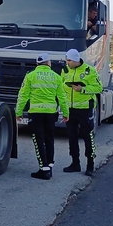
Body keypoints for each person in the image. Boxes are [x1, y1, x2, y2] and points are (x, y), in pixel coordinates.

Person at [15, 53, 69, 180]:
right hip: (51, 113)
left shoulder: (30, 76)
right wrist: (66, 113)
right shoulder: (56, 77)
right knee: (49, 138)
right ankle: (49, 165)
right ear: (49, 63)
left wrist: (18, 112)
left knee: (38, 140)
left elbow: (23, 96)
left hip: (36, 113)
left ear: (37, 64)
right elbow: (62, 97)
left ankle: (43, 169)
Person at [61, 48, 102, 176]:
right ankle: (75, 164)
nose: (67, 63)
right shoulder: (65, 70)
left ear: (75, 60)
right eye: (66, 60)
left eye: (69, 60)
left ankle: (90, 165)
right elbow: (61, 87)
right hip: (70, 110)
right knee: (72, 138)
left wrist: (82, 89)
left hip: (85, 110)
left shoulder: (89, 71)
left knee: (88, 137)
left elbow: (99, 87)